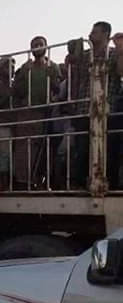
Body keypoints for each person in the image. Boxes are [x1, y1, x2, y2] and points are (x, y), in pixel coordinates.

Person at [68, 22, 123, 189]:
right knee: (82, 149)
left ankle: (109, 183)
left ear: (106, 34)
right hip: (84, 108)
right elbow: (73, 70)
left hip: (109, 108)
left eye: (95, 32)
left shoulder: (114, 54)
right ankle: (79, 184)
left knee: (109, 149)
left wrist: (121, 52)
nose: (91, 34)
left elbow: (121, 73)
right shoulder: (85, 55)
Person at [13, 36, 61, 190]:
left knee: (43, 147)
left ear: (46, 47)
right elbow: (16, 91)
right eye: (34, 45)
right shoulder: (26, 68)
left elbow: (58, 88)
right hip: (27, 112)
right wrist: (23, 75)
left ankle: (39, 181)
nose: (37, 47)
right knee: (24, 148)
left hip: (46, 112)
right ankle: (22, 181)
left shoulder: (53, 67)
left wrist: (51, 76)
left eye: (40, 44)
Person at [0, 56, 16, 189]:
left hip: (13, 122)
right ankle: (3, 182)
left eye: (13, 66)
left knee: (11, 154)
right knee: (4, 154)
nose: (12, 69)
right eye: (8, 66)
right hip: (2, 122)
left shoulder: (13, 84)